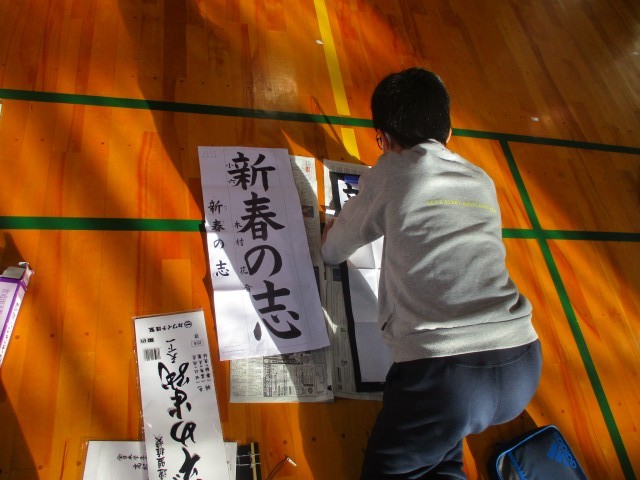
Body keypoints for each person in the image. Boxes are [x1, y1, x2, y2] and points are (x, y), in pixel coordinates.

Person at [320, 67, 542, 479]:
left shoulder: (391, 170)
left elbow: (336, 248)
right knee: (441, 448)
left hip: (445, 377)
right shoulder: (481, 179)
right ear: (449, 133)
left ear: (385, 140)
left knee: (392, 470)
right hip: (523, 363)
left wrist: (327, 238)